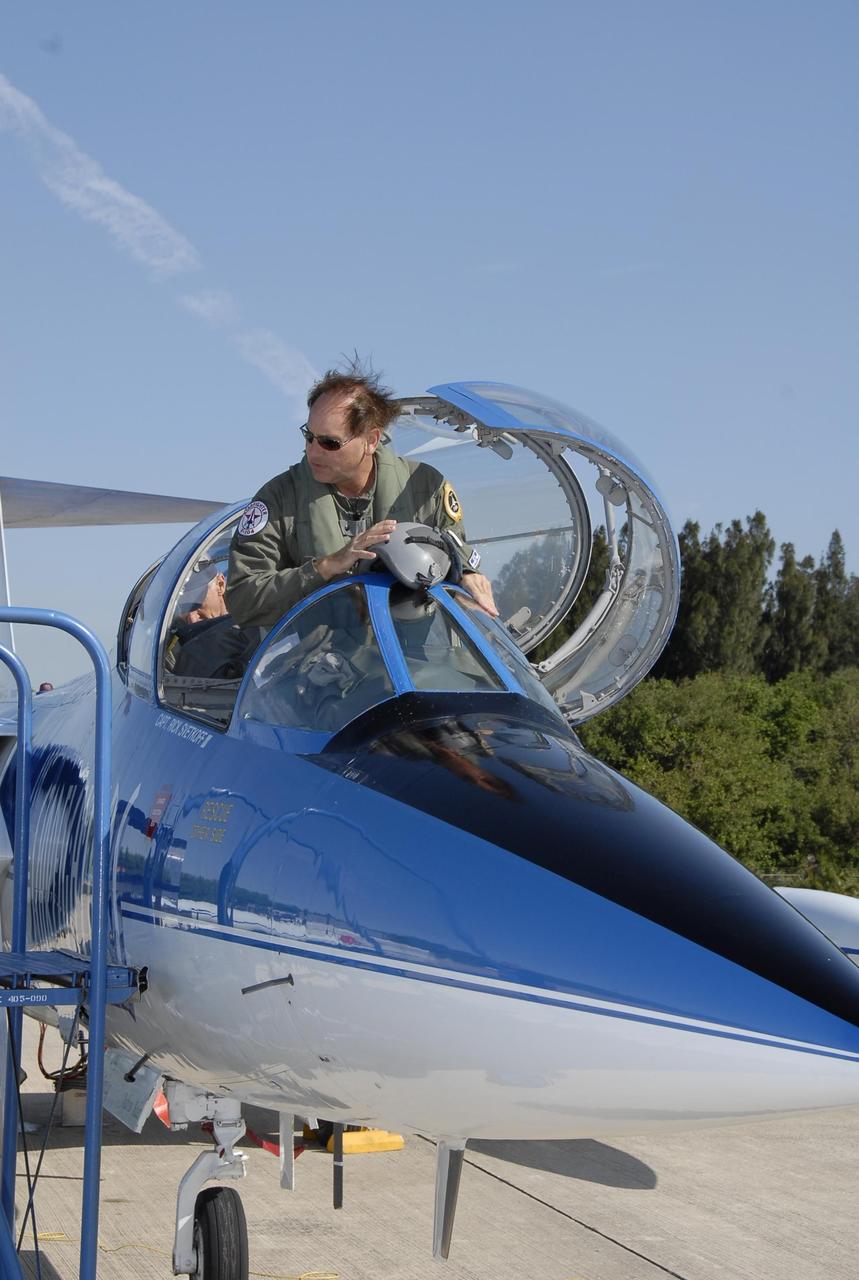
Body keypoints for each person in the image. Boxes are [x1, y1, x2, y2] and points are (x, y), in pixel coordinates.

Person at [225, 360, 498, 629]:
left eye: (329, 443)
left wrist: (466, 575)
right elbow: (243, 600)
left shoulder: (426, 489)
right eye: (309, 436)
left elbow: (455, 553)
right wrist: (326, 566)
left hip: (411, 651)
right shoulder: (279, 499)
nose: (313, 451)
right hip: (316, 655)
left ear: (371, 441)